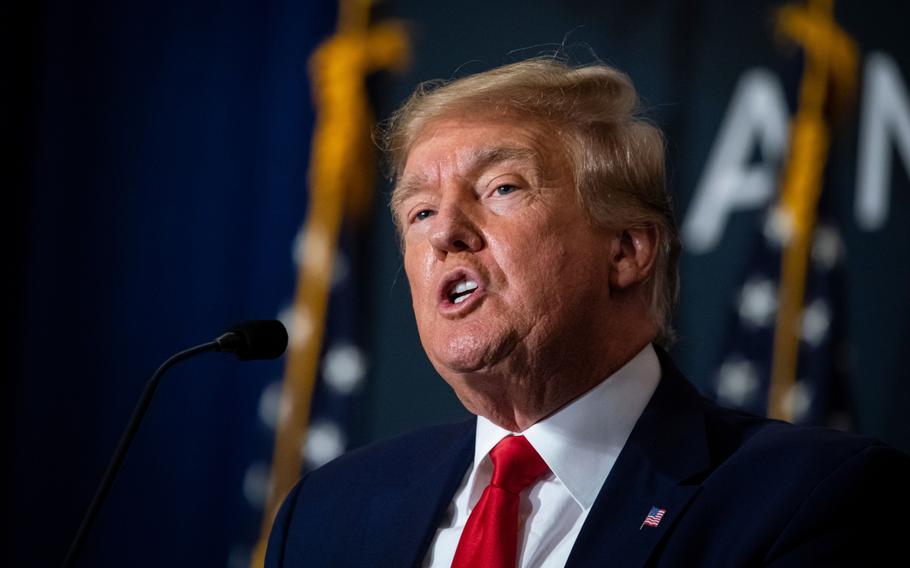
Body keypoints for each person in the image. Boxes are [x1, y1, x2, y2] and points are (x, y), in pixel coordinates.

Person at [265, 57, 909, 567]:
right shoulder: (328, 513)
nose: (444, 234)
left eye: (501, 188)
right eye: (420, 211)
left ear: (627, 251)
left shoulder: (808, 498)